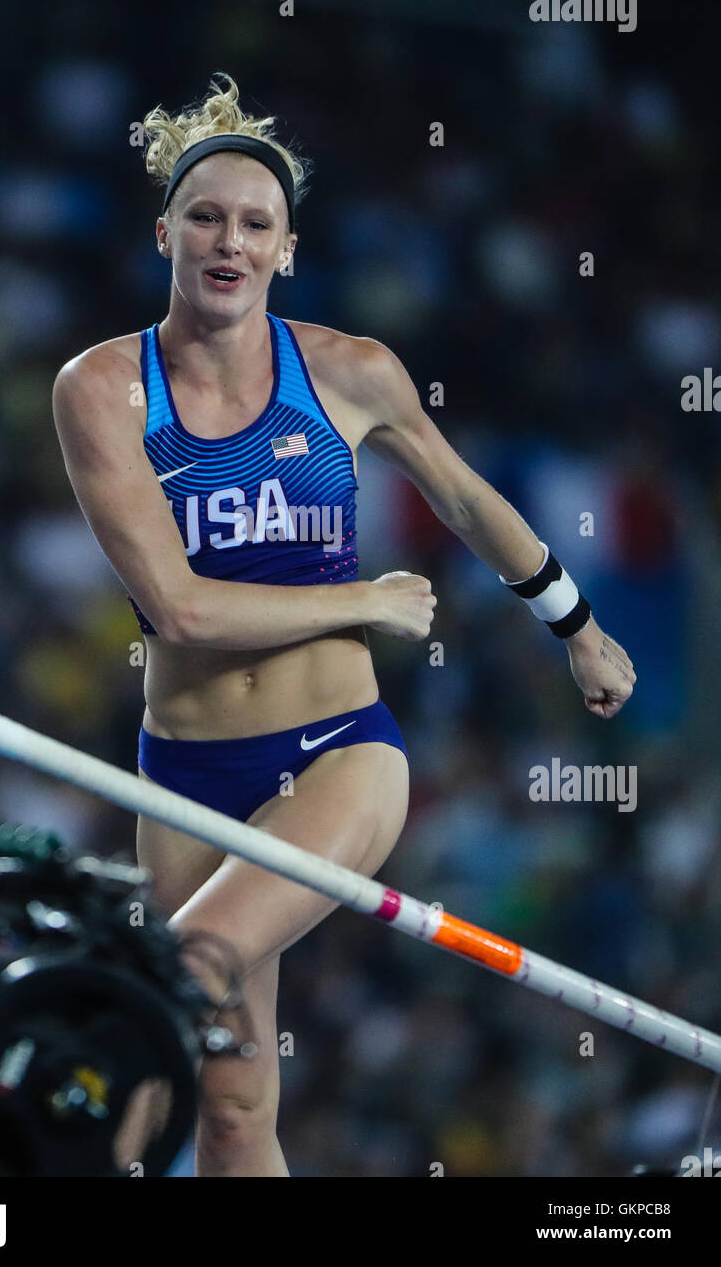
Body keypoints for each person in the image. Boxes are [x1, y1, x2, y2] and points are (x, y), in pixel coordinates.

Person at [52, 72, 635, 1177]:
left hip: (337, 754)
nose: (230, 241)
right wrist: (360, 600)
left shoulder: (348, 370)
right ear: (163, 231)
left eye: (255, 225)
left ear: (286, 249)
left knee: (185, 971)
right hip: (179, 776)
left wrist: (574, 624)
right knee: (228, 1105)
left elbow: (463, 498)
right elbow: (175, 605)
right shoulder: (101, 391)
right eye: (208, 217)